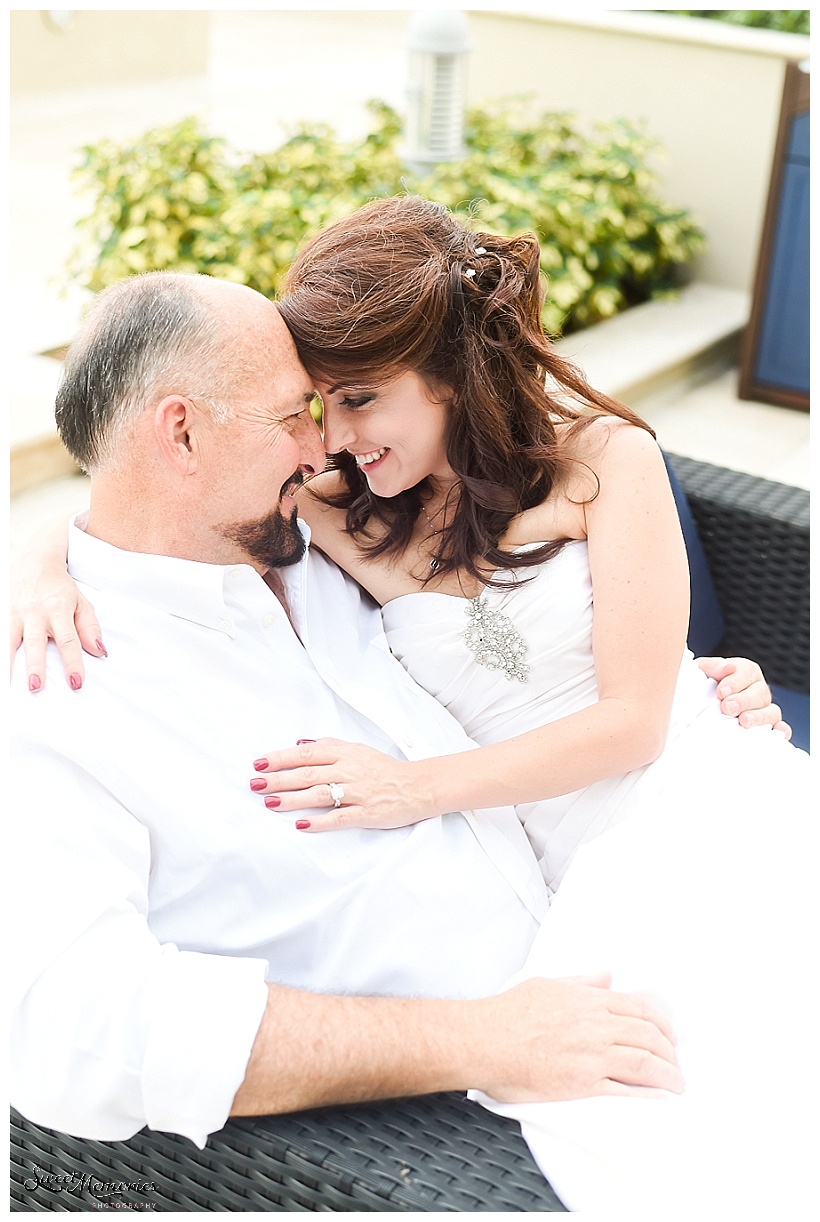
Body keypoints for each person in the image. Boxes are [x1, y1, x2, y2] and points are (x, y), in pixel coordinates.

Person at [10, 269, 694, 1155]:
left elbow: (520, 637)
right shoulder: (57, 687)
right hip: (478, 1104)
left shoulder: (298, 542)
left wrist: (680, 671)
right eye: (295, 414)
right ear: (181, 433)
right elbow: (78, 1033)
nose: (323, 447)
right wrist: (484, 1040)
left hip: (617, 919)